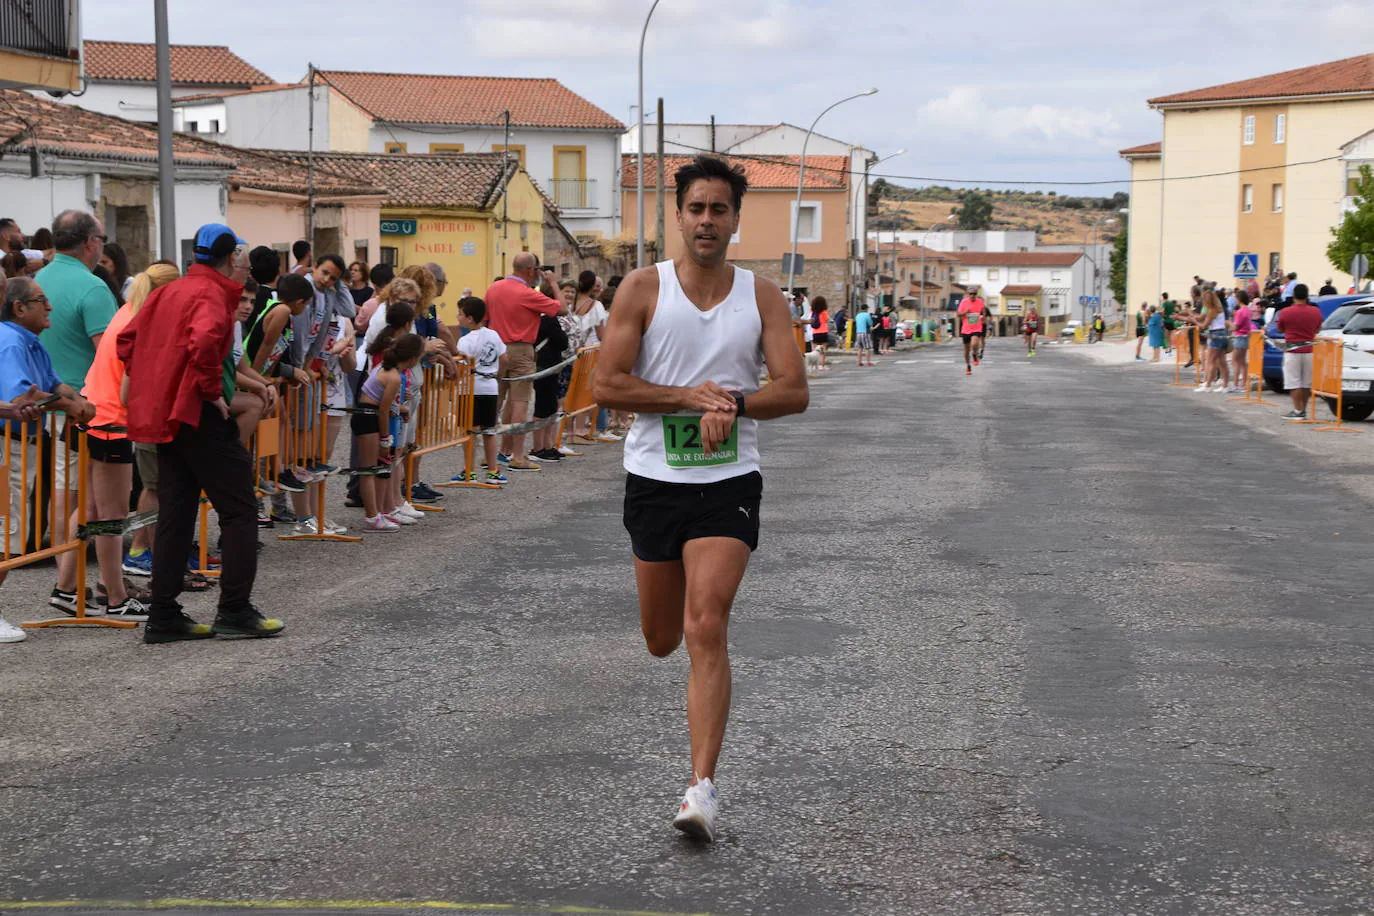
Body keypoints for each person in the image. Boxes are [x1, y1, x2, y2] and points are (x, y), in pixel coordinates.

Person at [594, 154, 809, 842]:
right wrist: (687, 397)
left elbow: (794, 390)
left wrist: (738, 405)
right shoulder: (642, 289)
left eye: (720, 209)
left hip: (727, 485)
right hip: (655, 482)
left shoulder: (763, 296)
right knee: (662, 640)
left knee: (706, 625)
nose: (708, 220)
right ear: (678, 216)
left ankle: (701, 789)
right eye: (697, 208)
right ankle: (700, 778)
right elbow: (607, 385)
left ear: (737, 219)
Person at [117, 223, 284, 644]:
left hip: (171, 418)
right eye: (242, 261)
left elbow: (128, 342)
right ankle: (234, 610)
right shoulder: (211, 294)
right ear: (231, 259)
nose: (245, 271)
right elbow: (206, 341)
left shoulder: (167, 291)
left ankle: (163, 614)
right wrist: (212, 392)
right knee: (240, 509)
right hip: (199, 413)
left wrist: (157, 382)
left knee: (176, 512)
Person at [484, 253, 564, 471]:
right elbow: (562, 308)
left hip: (494, 348)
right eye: (536, 269)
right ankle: (518, 455)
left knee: (496, 400)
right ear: (530, 270)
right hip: (520, 349)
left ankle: (491, 455)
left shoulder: (494, 288)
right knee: (520, 401)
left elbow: (485, 318)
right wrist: (554, 283)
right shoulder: (527, 293)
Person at [353, 323, 422, 531]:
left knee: (382, 467)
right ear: (411, 359)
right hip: (367, 417)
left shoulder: (389, 369)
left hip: (370, 415)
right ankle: (372, 515)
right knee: (369, 470)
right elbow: (383, 411)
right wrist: (385, 439)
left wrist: (401, 408)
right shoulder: (393, 376)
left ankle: (381, 512)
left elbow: (388, 405)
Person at [453, 297, 508, 483]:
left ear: (469, 318)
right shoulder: (493, 335)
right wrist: (497, 376)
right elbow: (505, 358)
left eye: (460, 314)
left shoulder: (464, 341)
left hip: (469, 388)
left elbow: (460, 367)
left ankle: (469, 470)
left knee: (470, 431)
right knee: (489, 431)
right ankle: (493, 471)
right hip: (490, 387)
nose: (457, 317)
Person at [1275, 283, 1321, 420]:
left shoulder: (1286, 312)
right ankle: (1304, 410)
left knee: (1293, 381)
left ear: (1294, 296)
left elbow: (1280, 329)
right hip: (1309, 350)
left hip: (1292, 350)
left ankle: (1297, 410)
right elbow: (1318, 329)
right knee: (1307, 382)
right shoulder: (1315, 311)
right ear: (1307, 296)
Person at [1190, 289, 1230, 392]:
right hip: (1221, 333)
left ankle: (1208, 385)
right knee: (1222, 361)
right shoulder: (1219, 309)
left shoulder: (1212, 310)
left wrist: (1194, 321)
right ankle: (1225, 385)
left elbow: (1204, 325)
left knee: (1211, 360)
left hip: (1215, 334)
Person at [1228, 290, 1255, 392]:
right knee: (1243, 361)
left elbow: (1235, 327)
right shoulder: (1248, 310)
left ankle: (1236, 384)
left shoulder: (1240, 312)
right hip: (1246, 337)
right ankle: (1243, 384)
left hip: (1239, 337)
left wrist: (1228, 323)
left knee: (1236, 361)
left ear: (1239, 299)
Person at [957, 288, 987, 374]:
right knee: (966, 351)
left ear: (976, 294)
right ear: (968, 294)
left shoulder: (980, 302)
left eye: (974, 294)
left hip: (976, 327)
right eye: (970, 294)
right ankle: (968, 366)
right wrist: (965, 312)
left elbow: (983, 311)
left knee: (974, 343)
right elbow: (958, 314)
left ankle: (974, 354)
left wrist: (983, 317)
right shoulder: (964, 302)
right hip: (966, 329)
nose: (972, 295)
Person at [811, 296, 831, 370]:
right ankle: (821, 365)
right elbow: (826, 320)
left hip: (815, 332)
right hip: (823, 332)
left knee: (814, 350)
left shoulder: (812, 311)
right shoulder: (824, 312)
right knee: (823, 350)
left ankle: (813, 365)